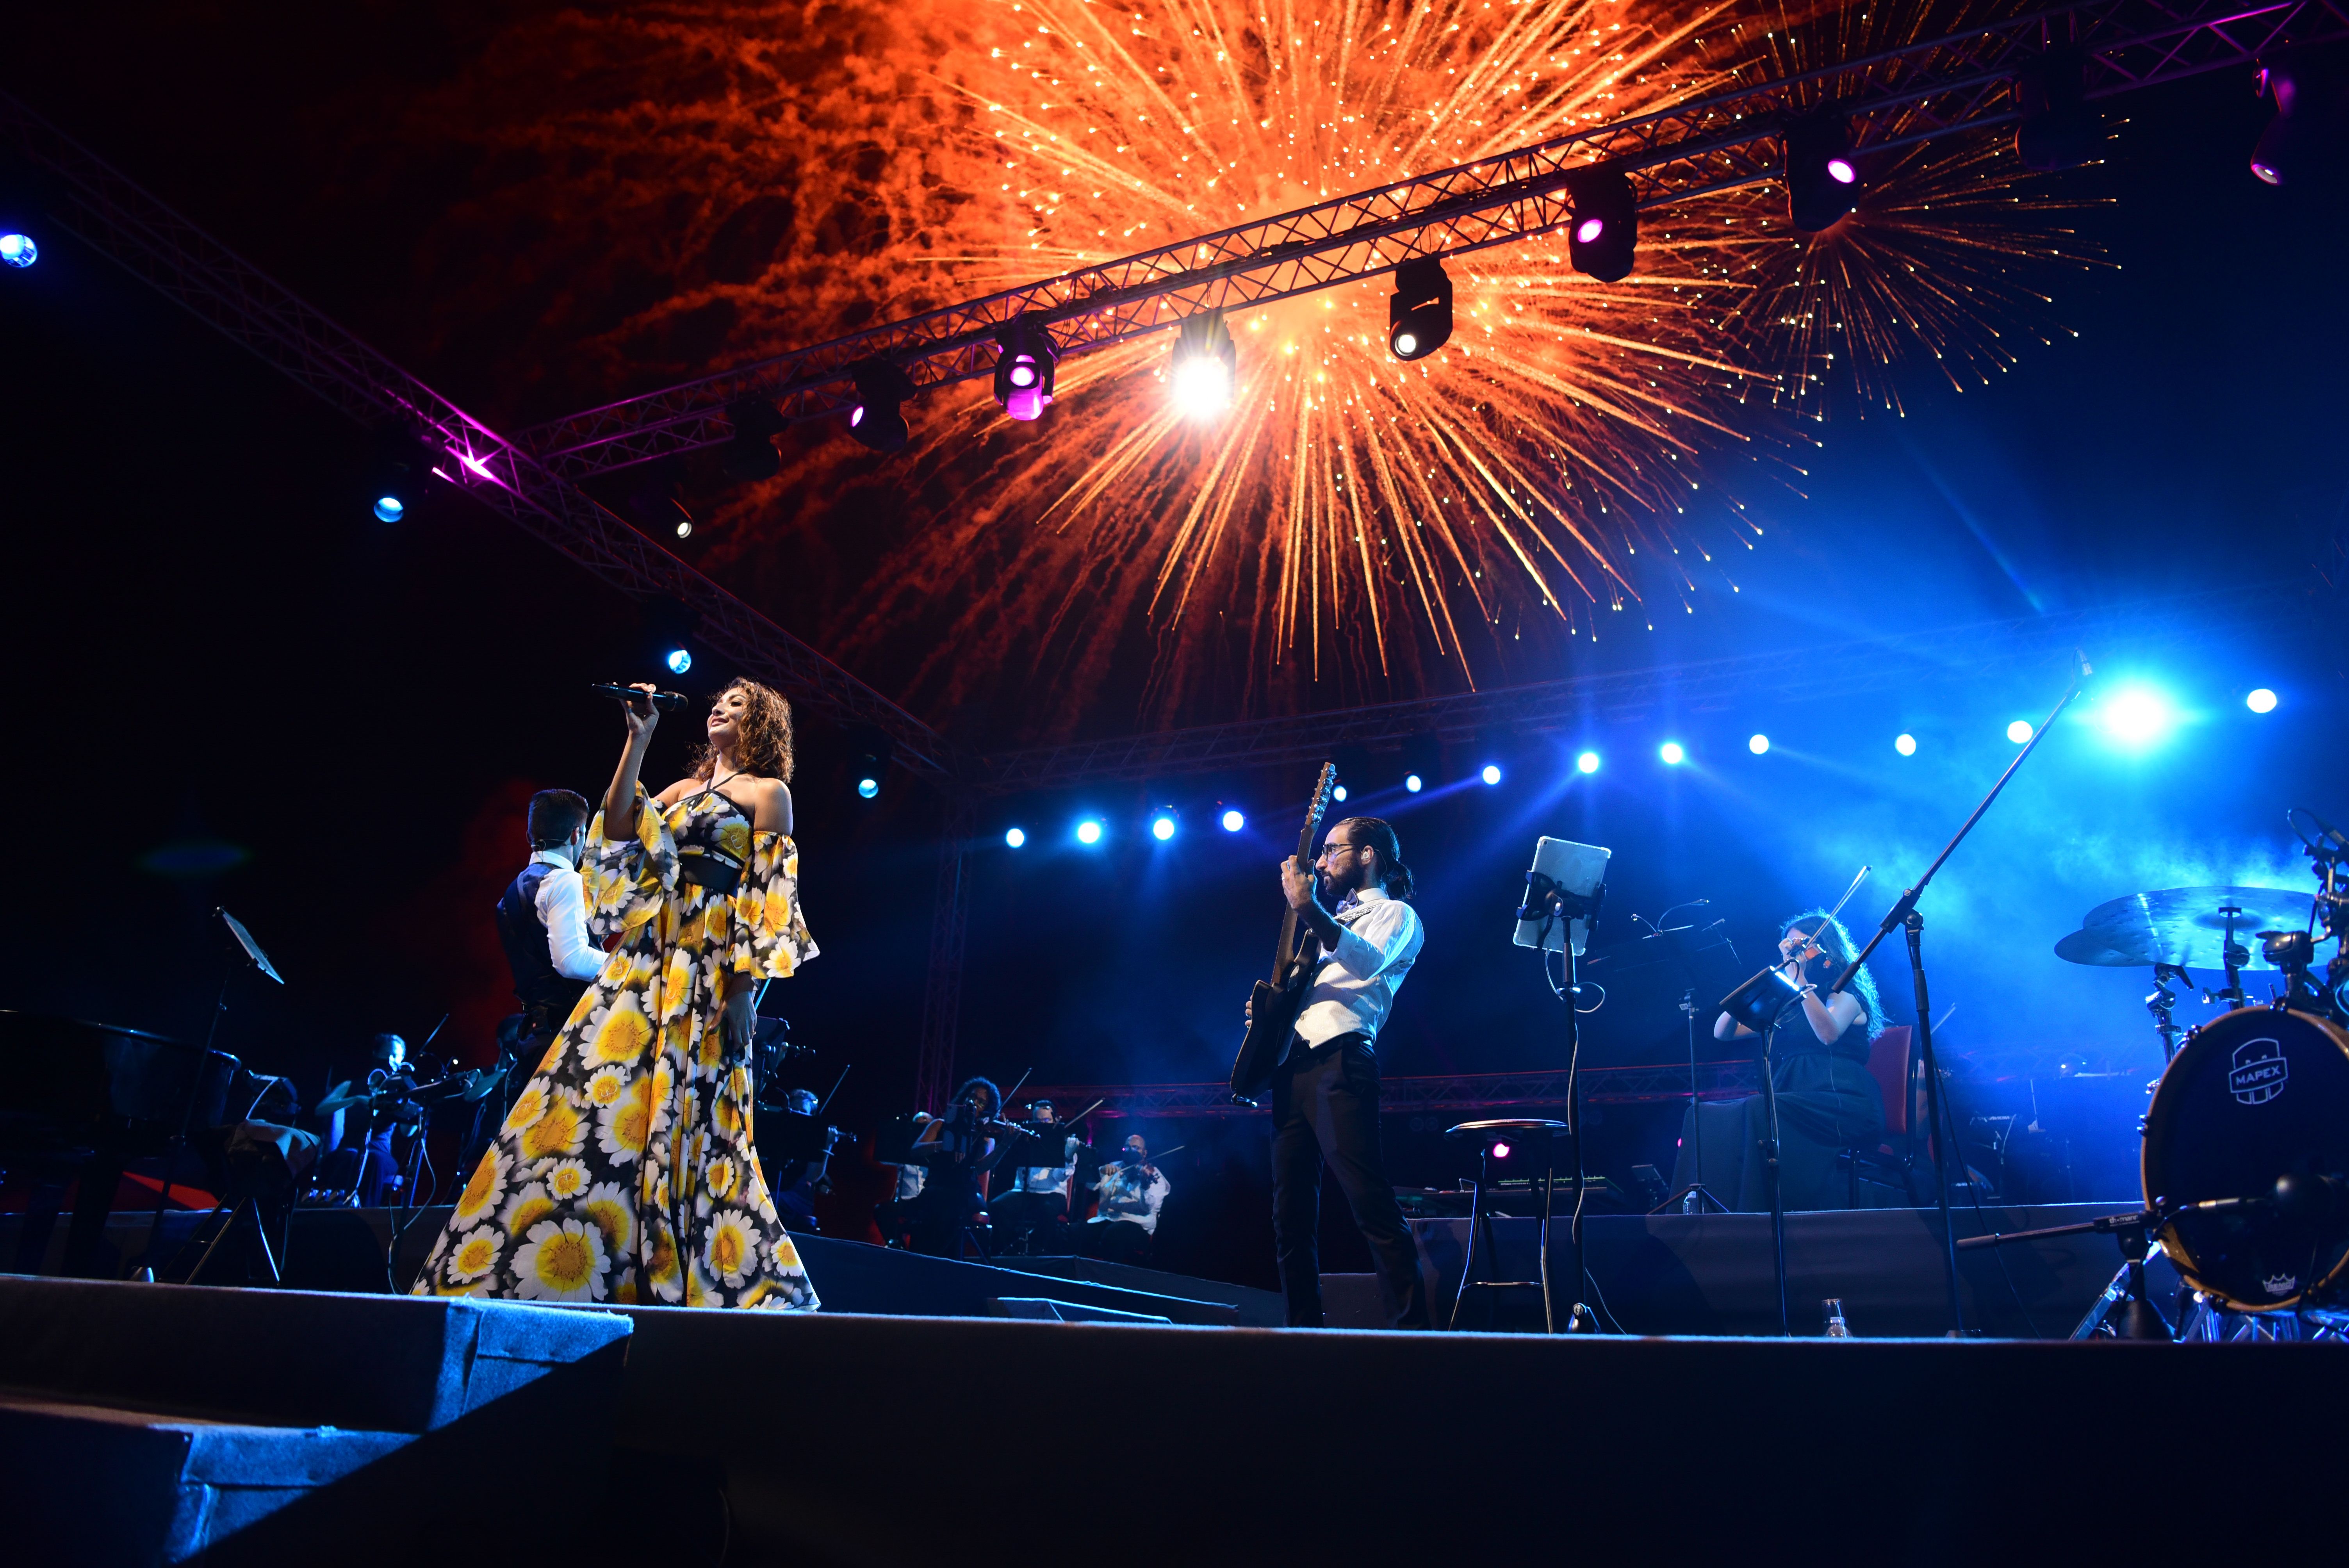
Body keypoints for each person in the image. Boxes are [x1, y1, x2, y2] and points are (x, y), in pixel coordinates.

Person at [410, 679, 821, 1308]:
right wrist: (640, 736)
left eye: (737, 706)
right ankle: (572, 1250)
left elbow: (768, 898)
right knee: (590, 1091)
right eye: (719, 702)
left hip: (707, 962)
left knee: (690, 1105)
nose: (720, 708)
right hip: (647, 956)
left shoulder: (769, 793)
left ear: (762, 724)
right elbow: (620, 826)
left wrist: (744, 990)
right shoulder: (683, 791)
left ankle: (689, 1262)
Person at [1258, 816, 1430, 1329]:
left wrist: (1307, 908)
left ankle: (1412, 1334)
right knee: (1290, 1216)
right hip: (1295, 1065)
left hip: (1343, 1062)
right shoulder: (1325, 926)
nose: (1322, 860)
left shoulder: (1398, 915)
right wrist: (1269, 1014)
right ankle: (1303, 1332)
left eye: (1333, 850)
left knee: (1369, 1201)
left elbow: (1365, 964)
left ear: (1369, 855)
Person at [1672, 909, 1888, 1212]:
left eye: (1799, 947)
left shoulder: (1843, 992)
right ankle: (1710, 1210)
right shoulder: (1789, 1004)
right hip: (1794, 1096)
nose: (1792, 952)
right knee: (1702, 1115)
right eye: (1788, 947)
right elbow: (1723, 1031)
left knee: (1756, 1109)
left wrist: (1798, 978)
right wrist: (1755, 990)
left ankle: (1755, 1213)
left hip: (1839, 1099)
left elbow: (1827, 1033)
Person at [495, 788, 604, 1055]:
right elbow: (571, 961)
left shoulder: (510, 893)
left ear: (530, 835)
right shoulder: (564, 880)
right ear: (577, 834)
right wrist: (627, 962)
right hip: (570, 1035)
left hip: (533, 1036)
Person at [903, 1076, 1005, 1258]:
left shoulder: (985, 1135)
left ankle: (947, 1260)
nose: (974, 1103)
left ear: (987, 1110)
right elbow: (915, 1150)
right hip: (937, 1186)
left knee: (953, 1204)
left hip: (967, 1191)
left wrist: (1006, 1144)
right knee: (936, 1201)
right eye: (972, 1097)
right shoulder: (939, 1125)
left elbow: (981, 1168)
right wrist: (946, 1143)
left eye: (981, 1103)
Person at [314, 1034, 414, 1206]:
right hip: (349, 1147)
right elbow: (320, 1110)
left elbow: (407, 1132)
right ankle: (334, 1209)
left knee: (374, 1160)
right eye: (387, 1054)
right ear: (376, 1054)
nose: (391, 1060)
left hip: (381, 1153)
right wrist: (355, 1099)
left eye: (396, 1056)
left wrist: (412, 1102)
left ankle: (365, 1214)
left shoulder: (399, 1093)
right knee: (351, 1157)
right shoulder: (351, 1086)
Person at [991, 1099, 1078, 1254]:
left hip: (1053, 1193)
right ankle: (1004, 1252)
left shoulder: (1065, 1144)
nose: (1042, 1125)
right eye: (1037, 1121)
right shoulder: (1025, 1139)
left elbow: (1059, 1178)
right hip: (1023, 1192)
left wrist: (1067, 1157)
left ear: (1056, 1121)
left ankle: (1037, 1254)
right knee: (998, 1206)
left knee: (1047, 1209)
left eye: (1046, 1121)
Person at [1078, 1134, 1169, 1265]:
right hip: (1109, 1219)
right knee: (1078, 1232)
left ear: (1144, 1153)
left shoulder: (1153, 1174)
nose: (1130, 1150)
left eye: (1136, 1148)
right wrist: (1101, 1172)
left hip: (1138, 1225)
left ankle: (1110, 1278)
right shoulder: (1114, 1167)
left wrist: (1145, 1186)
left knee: (1114, 1235)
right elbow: (1089, 1185)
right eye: (1127, 1147)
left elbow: (1149, 1208)